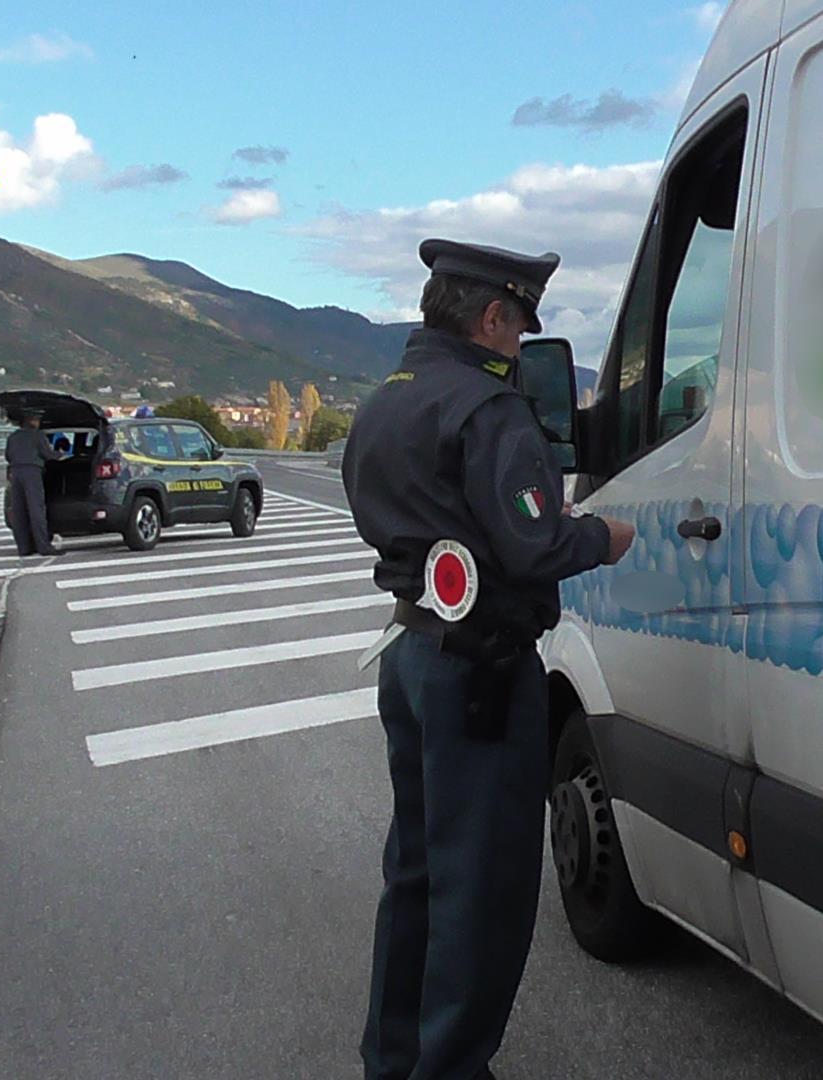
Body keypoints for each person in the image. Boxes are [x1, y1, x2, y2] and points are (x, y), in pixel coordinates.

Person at [343, 238, 636, 1080]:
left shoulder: (385, 402)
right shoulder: (487, 410)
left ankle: (394, 1059)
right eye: (518, 327)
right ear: (495, 317)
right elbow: (537, 541)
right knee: (485, 888)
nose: (517, 346)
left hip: (411, 653)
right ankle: (454, 1067)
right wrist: (605, 539)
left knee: (417, 870)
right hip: (480, 671)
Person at [3, 407, 62, 557]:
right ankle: (44, 547)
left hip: (15, 473)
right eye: (37, 419)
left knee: (19, 511)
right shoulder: (38, 436)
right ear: (32, 421)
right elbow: (47, 454)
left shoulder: (13, 437)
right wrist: (60, 454)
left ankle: (24, 548)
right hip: (32, 473)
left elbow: (8, 456)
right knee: (36, 510)